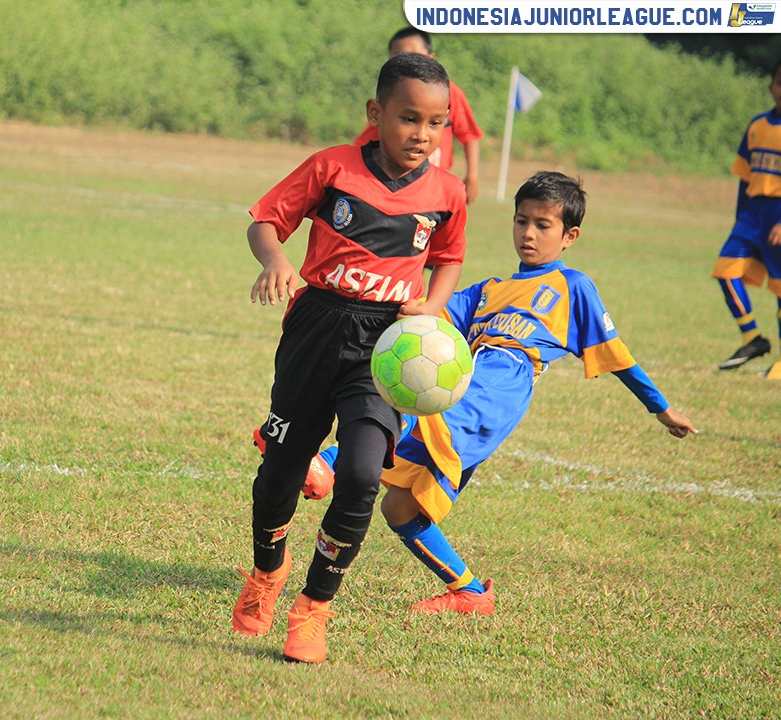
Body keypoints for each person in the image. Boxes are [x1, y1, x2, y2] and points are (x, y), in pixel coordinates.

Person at [266, 171, 697, 617]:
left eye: (542, 225)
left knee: (420, 399)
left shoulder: (575, 287)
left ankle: (327, 462)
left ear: (570, 236)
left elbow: (619, 356)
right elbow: (424, 312)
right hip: (472, 381)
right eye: (521, 221)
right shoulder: (490, 290)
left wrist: (661, 409)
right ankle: (470, 592)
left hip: (499, 388)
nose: (528, 233)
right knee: (400, 507)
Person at [233, 53, 468, 664]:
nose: (422, 134)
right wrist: (276, 261)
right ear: (376, 113)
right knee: (279, 476)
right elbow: (265, 220)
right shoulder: (331, 168)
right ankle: (266, 574)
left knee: (363, 474)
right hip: (316, 328)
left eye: (436, 123)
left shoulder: (448, 192)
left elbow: (448, 256)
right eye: (408, 118)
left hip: (388, 347)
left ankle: (314, 608)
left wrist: (434, 307)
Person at [354, 27, 484, 205]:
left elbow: (469, 134)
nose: (421, 134)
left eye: (435, 122)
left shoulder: (449, 93)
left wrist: (473, 176)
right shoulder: (395, 98)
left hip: (432, 185)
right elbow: (364, 145)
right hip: (397, 185)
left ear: (431, 58)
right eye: (399, 56)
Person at [712, 59, 781, 379]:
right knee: (725, 271)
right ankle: (752, 338)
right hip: (753, 214)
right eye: (780, 83)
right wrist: (739, 218)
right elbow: (744, 175)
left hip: (779, 215)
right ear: (771, 86)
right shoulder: (757, 126)